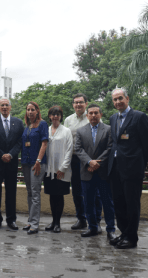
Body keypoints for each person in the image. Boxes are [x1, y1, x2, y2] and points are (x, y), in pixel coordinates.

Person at [107, 88, 148, 249]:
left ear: (127, 98)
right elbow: (115, 143)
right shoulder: (113, 118)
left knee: (131, 204)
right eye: (115, 100)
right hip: (115, 169)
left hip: (132, 170)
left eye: (120, 98)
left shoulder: (139, 117)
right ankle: (124, 233)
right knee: (118, 204)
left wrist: (140, 165)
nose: (118, 102)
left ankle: (132, 238)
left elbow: (147, 145)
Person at [74, 104, 117, 240]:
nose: (93, 115)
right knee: (88, 202)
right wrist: (89, 162)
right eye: (91, 113)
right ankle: (92, 227)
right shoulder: (80, 131)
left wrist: (97, 162)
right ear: (87, 116)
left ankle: (111, 230)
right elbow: (78, 149)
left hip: (103, 172)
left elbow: (110, 148)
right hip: (87, 171)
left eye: (96, 113)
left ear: (101, 114)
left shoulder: (109, 129)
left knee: (107, 202)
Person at [64, 93, 103, 231]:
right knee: (77, 191)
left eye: (81, 102)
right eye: (76, 102)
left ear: (86, 103)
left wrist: (93, 161)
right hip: (74, 159)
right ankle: (81, 219)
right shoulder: (68, 120)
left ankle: (96, 221)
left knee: (95, 192)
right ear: (73, 105)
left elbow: (101, 138)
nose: (78, 104)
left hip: (91, 160)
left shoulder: (93, 116)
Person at [0, 97, 24, 230]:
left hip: (11, 163)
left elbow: (20, 141)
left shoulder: (18, 122)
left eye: (6, 105)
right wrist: (2, 154)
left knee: (11, 192)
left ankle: (11, 219)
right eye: (2, 105)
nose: (4, 107)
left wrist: (10, 154)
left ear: (10, 107)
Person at [21, 102, 48, 235]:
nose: (30, 112)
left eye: (32, 109)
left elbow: (44, 143)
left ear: (37, 111)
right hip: (26, 162)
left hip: (37, 163)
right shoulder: (27, 126)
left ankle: (35, 224)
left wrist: (38, 160)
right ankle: (30, 220)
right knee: (29, 192)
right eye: (28, 109)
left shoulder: (42, 124)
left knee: (35, 193)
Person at [44, 106, 72, 233]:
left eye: (57, 114)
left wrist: (63, 167)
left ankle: (58, 223)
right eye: (53, 114)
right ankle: (53, 221)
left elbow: (69, 150)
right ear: (49, 116)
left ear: (61, 116)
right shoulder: (46, 130)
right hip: (49, 170)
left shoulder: (66, 131)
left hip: (61, 170)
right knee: (51, 196)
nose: (55, 116)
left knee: (59, 196)